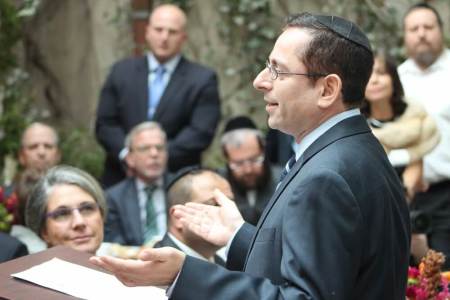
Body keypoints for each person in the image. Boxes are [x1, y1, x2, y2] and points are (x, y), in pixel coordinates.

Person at [91, 13, 410, 299]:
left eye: (278, 70)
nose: (260, 81)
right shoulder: (355, 147)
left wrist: (184, 275)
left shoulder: (326, 176)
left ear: (327, 90)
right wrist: (237, 236)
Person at [95, 3, 221, 187]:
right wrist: (128, 155)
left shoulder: (202, 79)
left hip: (176, 180)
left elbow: (200, 132)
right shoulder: (121, 72)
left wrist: (155, 157)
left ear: (183, 37)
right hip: (121, 178)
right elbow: (105, 124)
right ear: (147, 32)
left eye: (172, 32)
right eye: (159, 29)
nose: (164, 37)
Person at [398, 2, 450, 270]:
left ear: (441, 31)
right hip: (405, 194)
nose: (421, 34)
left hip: (446, 193)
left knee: (444, 274)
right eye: (413, 28)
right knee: (407, 274)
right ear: (405, 36)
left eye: (428, 27)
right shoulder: (395, 80)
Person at [362, 52, 440, 201]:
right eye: (368, 75)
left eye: (381, 72)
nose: (374, 80)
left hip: (417, 206)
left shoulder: (417, 119)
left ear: (394, 78)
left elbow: (416, 167)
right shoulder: (357, 127)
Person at [104, 122, 170, 246]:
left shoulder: (181, 188)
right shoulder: (113, 198)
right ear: (130, 158)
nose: (154, 154)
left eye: (160, 148)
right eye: (144, 148)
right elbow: (114, 244)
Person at [154, 167, 230, 265]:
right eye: (215, 205)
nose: (229, 213)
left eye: (230, 204)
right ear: (178, 217)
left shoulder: (225, 265)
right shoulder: (154, 271)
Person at [26, 165, 107, 254]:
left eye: (87, 209)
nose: (79, 222)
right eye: (62, 214)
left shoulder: (121, 265)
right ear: (44, 231)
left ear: (102, 215)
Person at [220, 116, 281, 225]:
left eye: (254, 160)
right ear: (227, 159)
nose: (248, 170)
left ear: (263, 151)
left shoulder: (284, 179)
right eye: (238, 164)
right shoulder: (217, 185)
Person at [1, 122, 61, 224]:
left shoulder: (76, 194)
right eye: (33, 147)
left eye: (48, 146)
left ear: (58, 155)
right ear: (21, 156)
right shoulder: (4, 198)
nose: (41, 152)